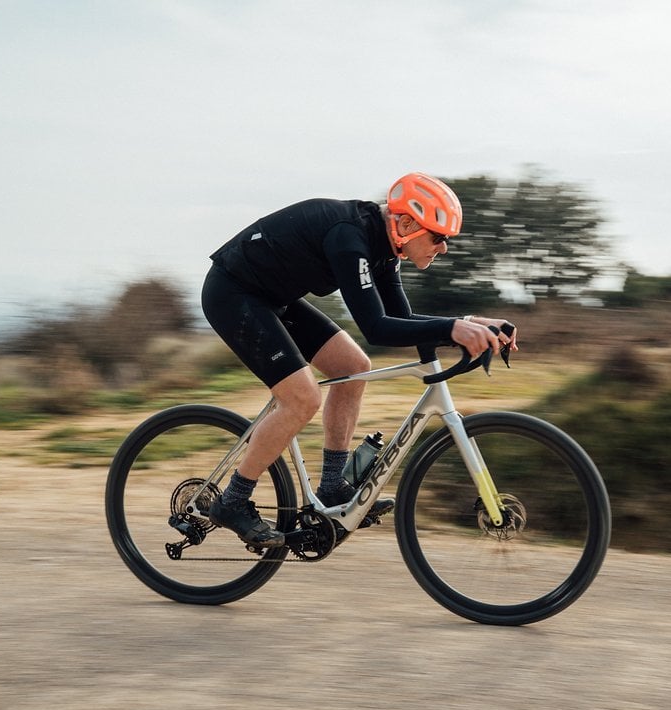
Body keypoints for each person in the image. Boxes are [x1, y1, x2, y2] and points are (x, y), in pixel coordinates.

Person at [200, 172, 518, 548]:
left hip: (272, 298)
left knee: (354, 367)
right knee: (302, 398)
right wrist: (453, 329)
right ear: (405, 224)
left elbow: (401, 320)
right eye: (438, 237)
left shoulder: (385, 249)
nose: (444, 248)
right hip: (233, 293)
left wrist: (468, 325)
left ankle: (332, 487)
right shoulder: (350, 238)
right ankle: (232, 501)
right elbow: (378, 328)